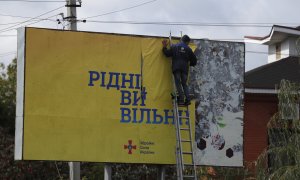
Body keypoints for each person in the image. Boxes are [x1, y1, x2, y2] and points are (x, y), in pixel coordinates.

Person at [162, 35, 197, 105]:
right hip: (184, 69)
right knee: (184, 84)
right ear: (187, 42)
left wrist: (164, 47)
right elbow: (194, 60)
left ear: (181, 39)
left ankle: (181, 99)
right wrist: (190, 64)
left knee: (178, 83)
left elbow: (167, 54)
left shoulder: (174, 46)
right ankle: (187, 100)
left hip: (176, 68)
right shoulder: (188, 49)